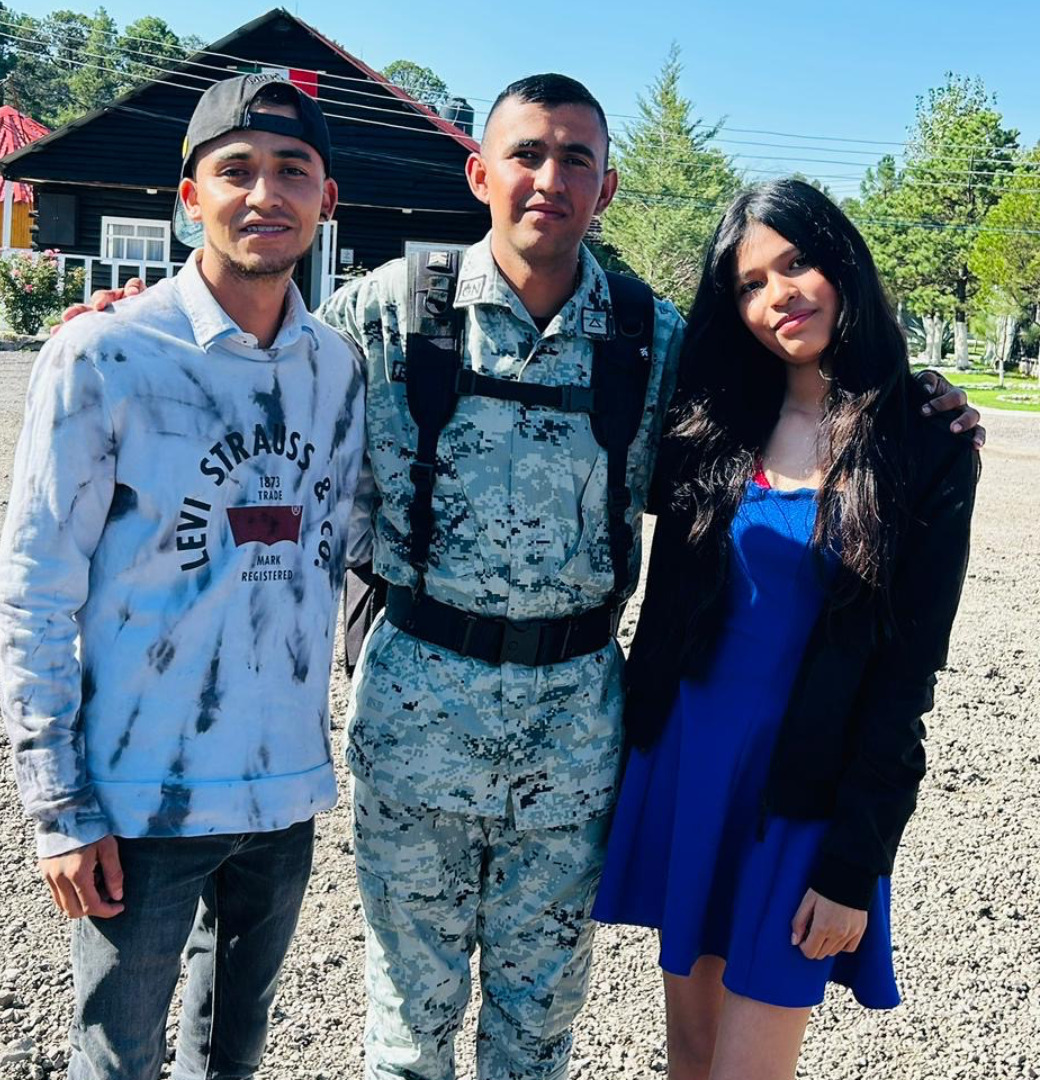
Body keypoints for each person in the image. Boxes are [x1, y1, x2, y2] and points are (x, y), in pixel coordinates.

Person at [61, 75, 982, 1080]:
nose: (550, 178)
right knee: (407, 1033)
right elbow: (254, 350)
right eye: (527, 154)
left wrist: (916, 403)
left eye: (576, 159)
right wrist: (133, 319)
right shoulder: (383, 314)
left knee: (537, 1035)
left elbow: (782, 400)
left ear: (607, 188)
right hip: (416, 728)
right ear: (479, 173)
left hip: (575, 738)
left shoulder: (653, 340)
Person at [0, 74, 368, 1080]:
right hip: (138, 797)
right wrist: (57, 806)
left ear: (327, 199)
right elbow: (33, 588)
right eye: (235, 170)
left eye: (293, 170)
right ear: (190, 197)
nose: (265, 194)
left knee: (233, 1057)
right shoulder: (105, 354)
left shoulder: (338, 369)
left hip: (283, 793)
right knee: (117, 1062)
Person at [592, 179, 979, 1080]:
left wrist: (855, 863)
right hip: (692, 765)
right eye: (750, 284)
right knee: (691, 1057)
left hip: (805, 794)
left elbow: (907, 680)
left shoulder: (926, 443)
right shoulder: (709, 419)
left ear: (842, 260)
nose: (779, 296)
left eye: (797, 262)